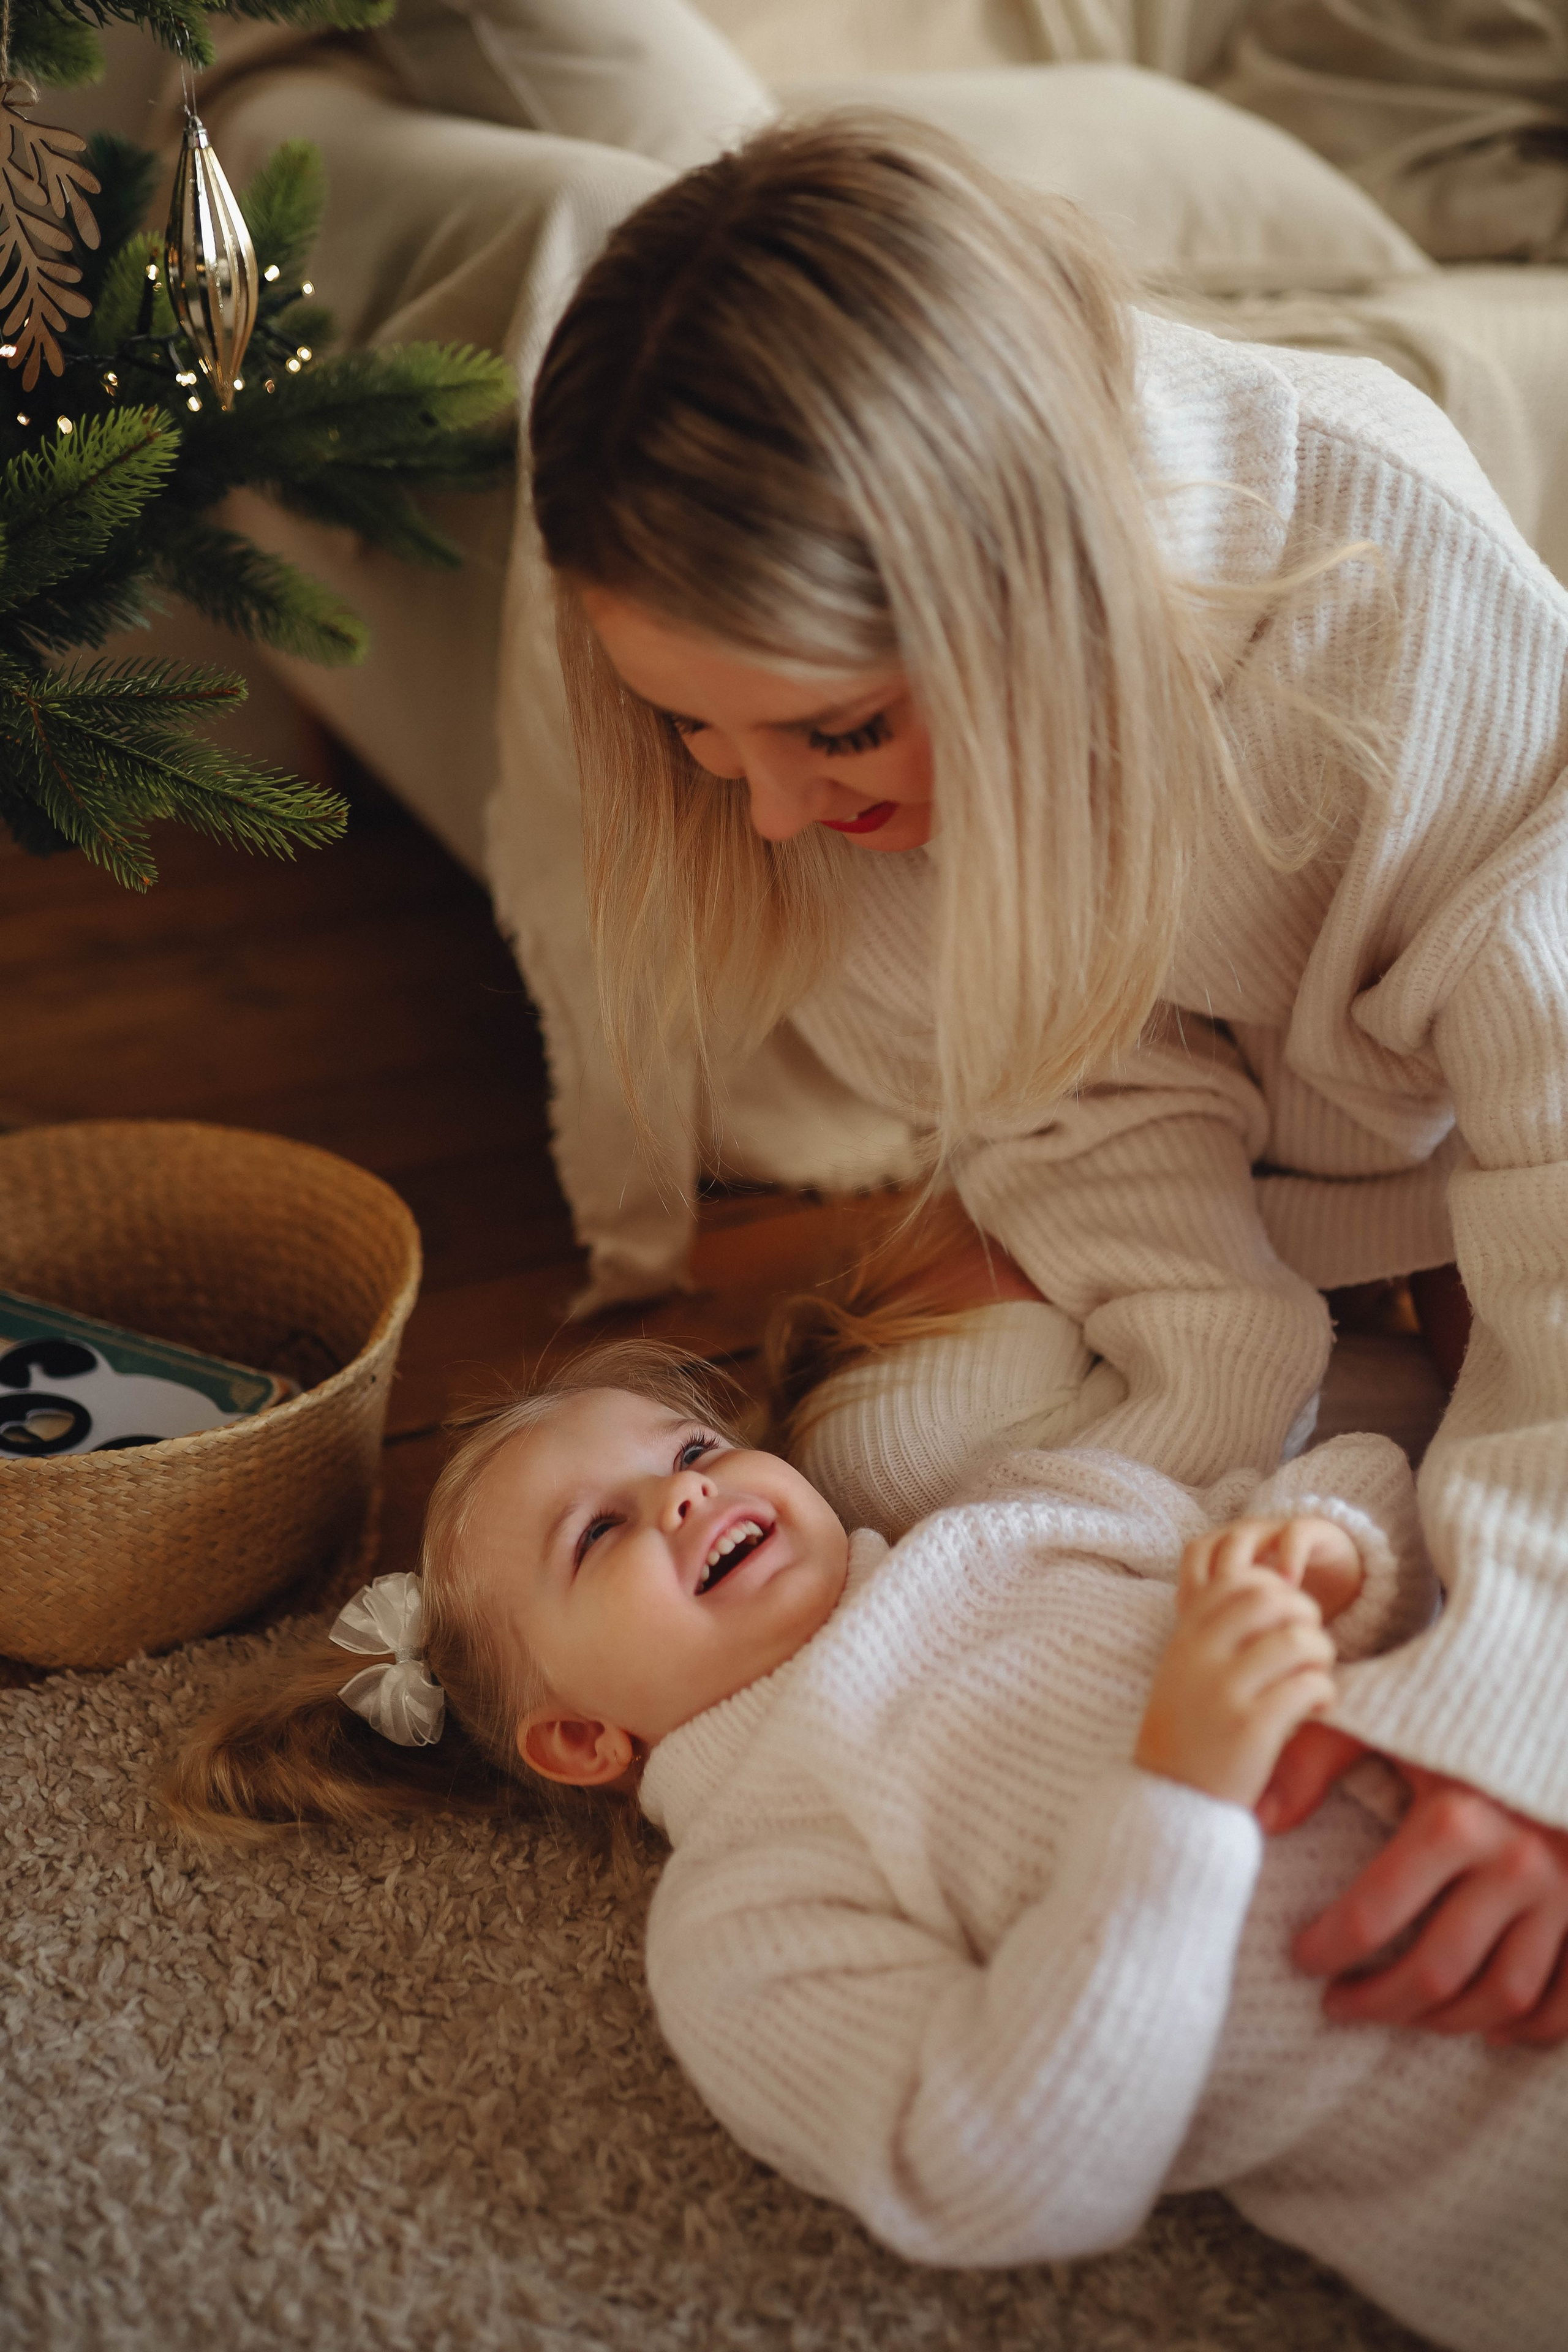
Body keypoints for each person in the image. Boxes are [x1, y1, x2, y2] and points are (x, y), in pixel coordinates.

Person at [524, 111, 1568, 2038]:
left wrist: (1529, 1716)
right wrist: (1184, 1438)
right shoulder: (810, 808)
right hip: (1292, 1200)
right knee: (888, 1456)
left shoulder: (1380, 575)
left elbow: (1558, 1166)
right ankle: (1385, 1430)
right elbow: (1074, 1116)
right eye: (693, 731)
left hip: (1509, 1143)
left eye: (836, 728)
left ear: (1034, 597)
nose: (763, 811)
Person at [166, 1342, 1567, 2352]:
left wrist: (1318, 1557)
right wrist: (1179, 1800)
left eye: (692, 1451)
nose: (683, 1499)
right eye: (599, 1535)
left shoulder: (1025, 1508)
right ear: (585, 1742)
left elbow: (1359, 1475)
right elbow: (995, 2169)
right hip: (1500, 2153)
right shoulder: (746, 1901)